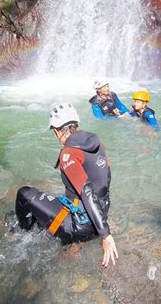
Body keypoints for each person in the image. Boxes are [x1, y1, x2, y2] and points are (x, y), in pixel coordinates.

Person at [15, 103, 118, 267]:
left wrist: (105, 235)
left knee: (24, 194)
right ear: (76, 125)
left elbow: (86, 192)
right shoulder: (97, 143)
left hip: (81, 226)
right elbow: (106, 179)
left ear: (57, 131)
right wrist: (103, 219)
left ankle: (22, 234)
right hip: (100, 213)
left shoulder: (69, 153)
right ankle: (82, 235)